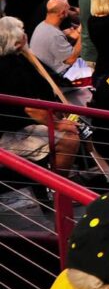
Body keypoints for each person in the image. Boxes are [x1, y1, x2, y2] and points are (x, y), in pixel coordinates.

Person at [0, 16, 80, 172]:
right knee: (69, 140)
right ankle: (58, 191)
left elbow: (44, 87)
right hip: (8, 133)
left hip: (23, 123)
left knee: (70, 123)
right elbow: (31, 108)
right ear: (16, 42)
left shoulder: (21, 58)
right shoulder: (9, 68)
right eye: (22, 32)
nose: (25, 34)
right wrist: (57, 124)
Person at [29, 0, 85, 78]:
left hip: (47, 70)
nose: (72, 11)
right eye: (69, 9)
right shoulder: (55, 36)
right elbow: (71, 60)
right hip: (63, 74)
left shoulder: (41, 25)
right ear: (62, 13)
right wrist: (84, 34)